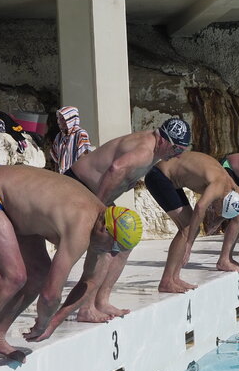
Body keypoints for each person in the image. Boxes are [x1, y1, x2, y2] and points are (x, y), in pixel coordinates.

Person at [0, 165, 140, 371]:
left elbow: (90, 283)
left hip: (18, 206)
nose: (110, 254)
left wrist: (53, 323)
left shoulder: (104, 223)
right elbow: (50, 295)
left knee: (38, 274)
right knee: (11, 278)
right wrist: (43, 321)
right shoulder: (82, 226)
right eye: (112, 247)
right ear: (104, 229)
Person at [63, 117, 190, 321]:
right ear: (163, 140)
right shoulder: (145, 151)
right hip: (79, 188)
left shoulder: (154, 151)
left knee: (124, 241)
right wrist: (100, 207)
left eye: (181, 151)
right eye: (176, 149)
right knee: (105, 245)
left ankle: (101, 301)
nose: (176, 155)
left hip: (90, 191)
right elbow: (116, 168)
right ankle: (86, 309)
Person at [144, 150, 239, 293]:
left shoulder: (235, 189)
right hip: (158, 176)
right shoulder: (218, 186)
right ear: (221, 200)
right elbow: (200, 207)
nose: (215, 210)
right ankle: (167, 281)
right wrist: (189, 244)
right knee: (186, 229)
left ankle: (174, 278)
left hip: (171, 178)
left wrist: (220, 219)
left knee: (191, 228)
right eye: (218, 209)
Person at [50, 106, 93, 174]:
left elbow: (83, 158)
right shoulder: (59, 137)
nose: (59, 122)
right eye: (59, 118)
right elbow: (56, 160)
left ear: (70, 119)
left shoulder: (81, 134)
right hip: (62, 177)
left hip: (76, 176)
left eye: (63, 118)